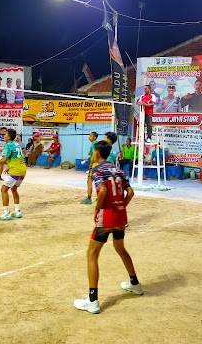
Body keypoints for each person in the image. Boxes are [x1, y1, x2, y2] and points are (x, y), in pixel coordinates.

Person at [73, 140, 141, 314]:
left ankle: (92, 301)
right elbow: (131, 192)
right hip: (120, 216)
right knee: (120, 249)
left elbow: (102, 191)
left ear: (96, 153)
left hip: (107, 216)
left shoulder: (98, 171)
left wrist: (97, 208)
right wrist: (121, 206)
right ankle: (135, 284)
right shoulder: (118, 170)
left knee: (92, 254)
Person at [0, 128, 27, 221]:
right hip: (22, 170)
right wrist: (9, 167)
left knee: (3, 190)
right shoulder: (16, 144)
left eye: (5, 134)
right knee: (14, 189)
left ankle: (6, 213)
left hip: (15, 171)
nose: (4, 136)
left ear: (8, 137)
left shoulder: (8, 145)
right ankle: (18, 211)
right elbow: (17, 157)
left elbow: (4, 159)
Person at [81, 132, 99, 204]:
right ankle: (99, 197)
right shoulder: (97, 144)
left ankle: (89, 198)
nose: (89, 137)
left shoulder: (93, 144)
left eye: (91, 135)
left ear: (94, 137)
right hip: (99, 165)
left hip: (94, 165)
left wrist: (91, 164)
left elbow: (95, 155)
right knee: (99, 182)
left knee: (89, 181)